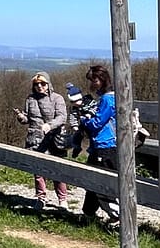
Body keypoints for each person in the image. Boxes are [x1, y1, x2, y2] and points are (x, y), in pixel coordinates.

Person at [15, 72, 73, 210]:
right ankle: (41, 198)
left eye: (43, 83)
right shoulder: (30, 99)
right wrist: (21, 117)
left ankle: (62, 199)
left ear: (48, 84)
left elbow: (62, 117)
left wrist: (50, 125)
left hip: (54, 139)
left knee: (57, 170)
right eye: (36, 84)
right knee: (38, 170)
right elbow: (28, 119)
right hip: (35, 139)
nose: (39, 86)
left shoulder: (57, 98)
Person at [74, 64, 120, 225]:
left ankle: (117, 216)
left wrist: (84, 120)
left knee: (102, 183)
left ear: (102, 80)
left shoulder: (108, 99)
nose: (92, 84)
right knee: (91, 180)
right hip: (99, 146)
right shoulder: (105, 98)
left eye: (94, 80)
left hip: (105, 146)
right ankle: (88, 213)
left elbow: (98, 122)